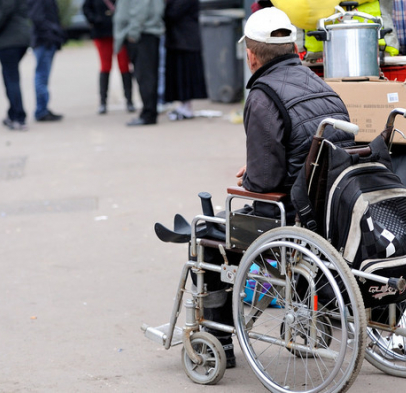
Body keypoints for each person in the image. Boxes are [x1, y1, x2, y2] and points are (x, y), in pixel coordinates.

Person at [201, 6, 355, 368]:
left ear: (251, 56)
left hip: (288, 215)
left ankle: (219, 343)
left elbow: (265, 181)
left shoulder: (262, 95)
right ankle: (305, 320)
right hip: (328, 209)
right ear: (293, 48)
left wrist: (250, 177)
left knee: (207, 233)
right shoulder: (319, 83)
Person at [113, 0, 164, 126]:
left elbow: (141, 9)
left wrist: (133, 32)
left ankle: (148, 114)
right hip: (143, 33)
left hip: (142, 34)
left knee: (145, 76)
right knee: (146, 76)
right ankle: (148, 112)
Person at [82, 0, 136, 115]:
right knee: (105, 67)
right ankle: (103, 103)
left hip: (121, 34)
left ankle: (129, 101)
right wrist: (95, 20)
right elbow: (86, 9)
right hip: (102, 33)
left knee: (124, 66)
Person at [163, 0, 208, 120]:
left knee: (185, 76)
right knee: (180, 76)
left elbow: (173, 13)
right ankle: (183, 106)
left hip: (185, 40)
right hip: (179, 40)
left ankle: (186, 108)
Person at [0, 0, 32, 131]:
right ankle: (13, 113)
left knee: (11, 79)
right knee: (11, 78)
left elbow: (5, 11)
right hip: (21, 38)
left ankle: (18, 117)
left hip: (9, 41)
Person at [28, 0, 65, 122]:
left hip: (46, 40)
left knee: (43, 77)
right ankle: (41, 111)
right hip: (44, 41)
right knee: (41, 76)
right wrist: (51, 33)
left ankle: (43, 108)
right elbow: (37, 17)